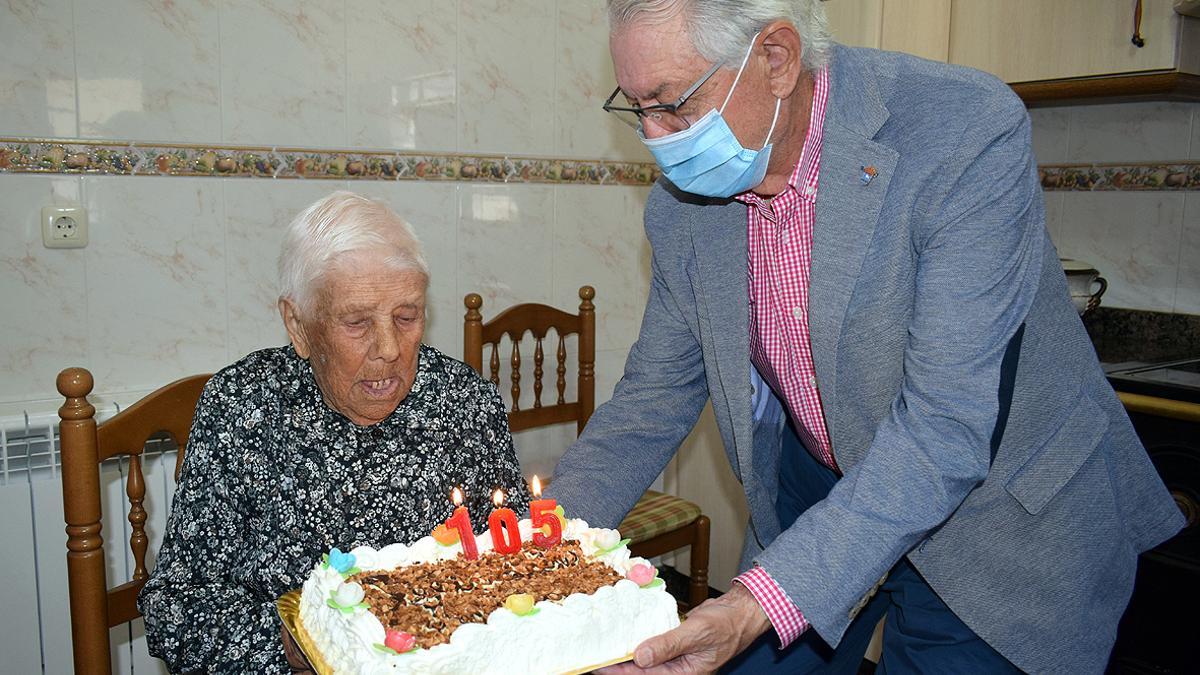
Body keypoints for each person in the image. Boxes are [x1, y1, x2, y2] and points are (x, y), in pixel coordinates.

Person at [547, 1, 1185, 673]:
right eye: (636, 107)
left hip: (998, 508)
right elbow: (652, 398)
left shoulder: (964, 130)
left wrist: (750, 604)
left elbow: (944, 429)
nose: (655, 136)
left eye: (673, 104)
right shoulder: (683, 206)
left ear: (776, 59)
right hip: (818, 478)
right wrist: (538, 547)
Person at [138, 191, 530, 673]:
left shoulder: (465, 400)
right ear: (298, 325)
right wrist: (313, 643)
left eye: (407, 317)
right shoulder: (243, 407)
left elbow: (517, 561)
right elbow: (176, 610)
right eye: (357, 322)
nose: (389, 348)